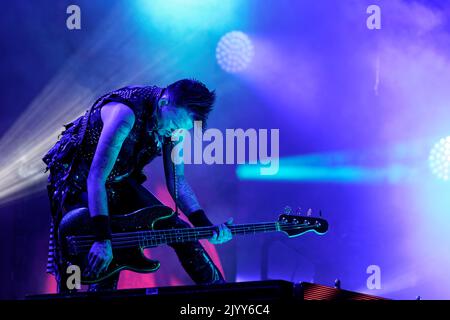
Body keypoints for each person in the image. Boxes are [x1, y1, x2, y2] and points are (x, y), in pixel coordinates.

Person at [43, 79, 232, 292]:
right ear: (164, 103)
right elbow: (96, 177)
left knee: (178, 229)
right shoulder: (125, 114)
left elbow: (177, 180)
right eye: (174, 125)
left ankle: (221, 295)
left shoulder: (174, 127)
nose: (174, 133)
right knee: (89, 254)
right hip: (79, 183)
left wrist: (203, 224)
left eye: (182, 129)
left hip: (119, 181)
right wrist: (102, 238)